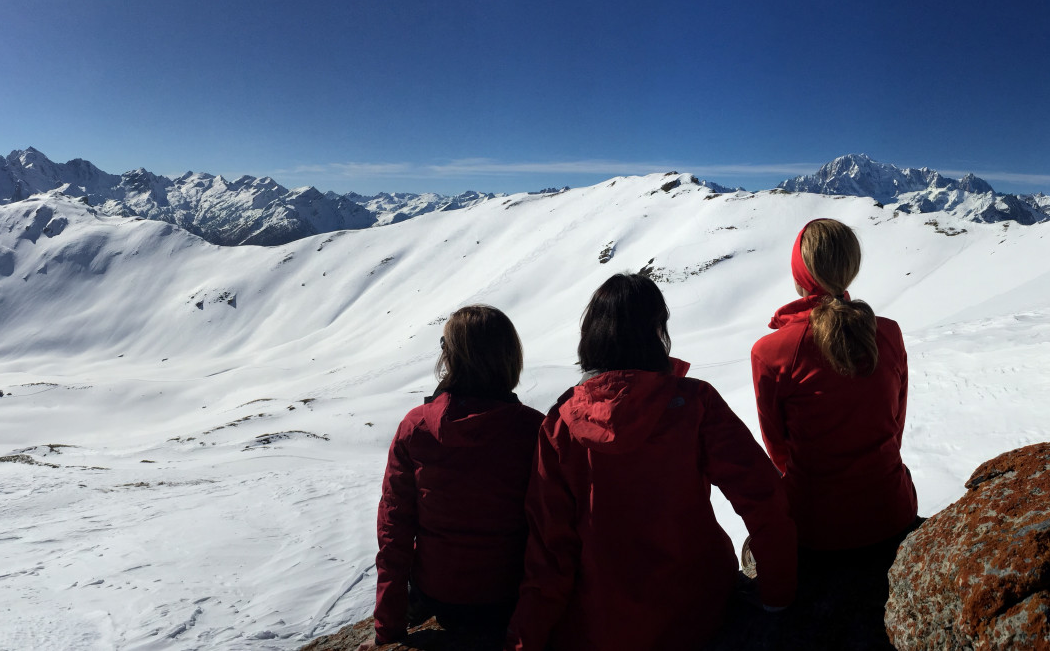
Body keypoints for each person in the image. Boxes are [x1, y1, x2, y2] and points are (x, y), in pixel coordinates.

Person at [508, 273, 797, 651]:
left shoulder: (561, 425)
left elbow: (549, 551)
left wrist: (523, 641)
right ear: (657, 332)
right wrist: (778, 595)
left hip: (605, 627)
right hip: (702, 611)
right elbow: (763, 495)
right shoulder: (694, 403)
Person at [364, 305, 544, 650]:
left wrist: (388, 632)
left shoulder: (416, 428)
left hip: (440, 597)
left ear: (451, 357)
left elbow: (394, 534)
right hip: (508, 597)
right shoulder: (536, 430)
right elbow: (550, 530)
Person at [752, 218, 918, 552]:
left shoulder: (770, 352)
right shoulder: (887, 333)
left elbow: (778, 448)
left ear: (800, 275)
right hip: (892, 511)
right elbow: (894, 426)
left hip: (816, 526)